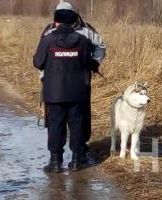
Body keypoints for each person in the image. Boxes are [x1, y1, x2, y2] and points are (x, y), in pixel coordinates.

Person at [33, 2, 105, 173]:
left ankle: (55, 161)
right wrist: (92, 65)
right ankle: (77, 159)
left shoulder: (48, 38)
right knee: (77, 124)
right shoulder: (83, 40)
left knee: (55, 125)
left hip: (54, 91)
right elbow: (89, 60)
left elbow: (37, 62)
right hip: (78, 90)